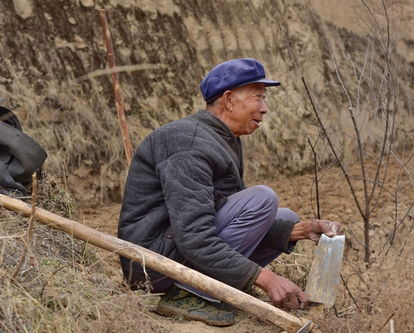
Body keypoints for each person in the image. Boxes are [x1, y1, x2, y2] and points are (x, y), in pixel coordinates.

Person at [117, 58, 341, 326]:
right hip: (152, 265)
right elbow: (194, 235)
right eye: (258, 97)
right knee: (262, 199)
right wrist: (266, 279)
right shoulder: (188, 143)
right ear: (229, 99)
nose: (264, 108)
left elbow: (229, 219)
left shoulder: (222, 139)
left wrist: (298, 231)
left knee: (285, 217)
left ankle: (213, 288)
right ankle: (189, 295)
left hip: (174, 250)